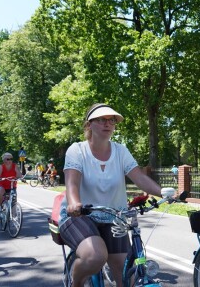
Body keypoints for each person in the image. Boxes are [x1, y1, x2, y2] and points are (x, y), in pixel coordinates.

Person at [59, 103, 163, 287]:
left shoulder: (120, 151)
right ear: (89, 124)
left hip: (114, 219)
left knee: (126, 276)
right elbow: (72, 182)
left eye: (111, 120)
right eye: (101, 120)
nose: (108, 124)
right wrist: (74, 203)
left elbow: (138, 177)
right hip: (80, 216)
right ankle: (75, 283)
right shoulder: (77, 150)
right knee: (95, 256)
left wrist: (165, 192)